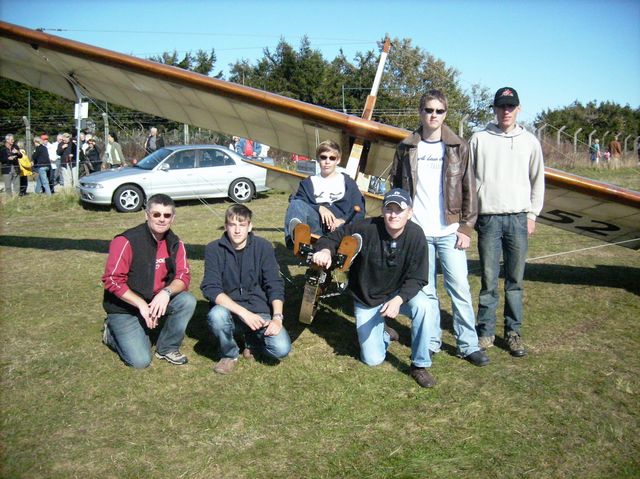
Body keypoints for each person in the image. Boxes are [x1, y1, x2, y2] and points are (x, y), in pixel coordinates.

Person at [390, 89, 489, 367]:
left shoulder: (458, 146)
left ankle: (468, 344)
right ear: (420, 112)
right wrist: (402, 224)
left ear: (445, 114)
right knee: (427, 290)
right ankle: (431, 341)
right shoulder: (406, 147)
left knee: (460, 289)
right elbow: (396, 189)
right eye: (428, 110)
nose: (433, 115)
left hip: (450, 231)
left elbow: (469, 189)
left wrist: (466, 228)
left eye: (439, 111)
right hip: (418, 232)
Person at [312, 188, 437, 388]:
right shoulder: (365, 227)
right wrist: (325, 250)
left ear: (409, 213)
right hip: (367, 296)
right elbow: (333, 237)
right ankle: (384, 332)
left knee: (424, 306)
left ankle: (419, 364)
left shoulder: (416, 235)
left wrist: (399, 300)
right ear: (382, 210)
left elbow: (418, 277)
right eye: (389, 209)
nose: (393, 215)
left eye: (399, 210)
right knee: (373, 360)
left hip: (397, 293)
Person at [470, 86, 545, 357]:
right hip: (489, 218)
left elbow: (538, 180)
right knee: (489, 279)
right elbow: (469, 180)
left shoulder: (530, 142)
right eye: (501, 106)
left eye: (510, 106)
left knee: (515, 280)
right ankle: (485, 331)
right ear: (494, 109)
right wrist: (472, 215)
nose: (506, 111)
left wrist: (532, 214)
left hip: (517, 219)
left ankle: (513, 332)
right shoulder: (479, 139)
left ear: (518, 109)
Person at [101, 194, 196, 368]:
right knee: (140, 361)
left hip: (155, 301)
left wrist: (166, 292)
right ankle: (111, 333)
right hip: (125, 307)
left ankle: (167, 348)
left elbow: (183, 276)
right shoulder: (126, 240)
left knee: (187, 301)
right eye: (156, 214)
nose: (162, 219)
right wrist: (141, 305)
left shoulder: (175, 243)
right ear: (147, 215)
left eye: (167, 215)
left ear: (173, 218)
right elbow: (112, 280)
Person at [201, 204, 291, 375]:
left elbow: (274, 283)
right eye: (232, 225)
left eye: (242, 225)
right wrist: (244, 313)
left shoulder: (263, 247)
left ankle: (253, 343)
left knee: (281, 349)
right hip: (229, 312)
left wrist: (277, 317)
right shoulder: (213, 249)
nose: (237, 230)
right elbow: (210, 288)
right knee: (216, 315)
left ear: (249, 227)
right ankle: (229, 354)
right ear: (226, 226)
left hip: (259, 313)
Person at [284, 140, 365, 248]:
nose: (327, 161)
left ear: (338, 160)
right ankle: (295, 239)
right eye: (323, 157)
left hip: (340, 230)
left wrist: (342, 220)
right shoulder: (307, 183)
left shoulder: (349, 183)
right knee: (295, 203)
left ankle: (348, 249)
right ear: (318, 159)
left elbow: (360, 211)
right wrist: (319, 208)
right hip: (316, 226)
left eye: (332, 158)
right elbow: (298, 203)